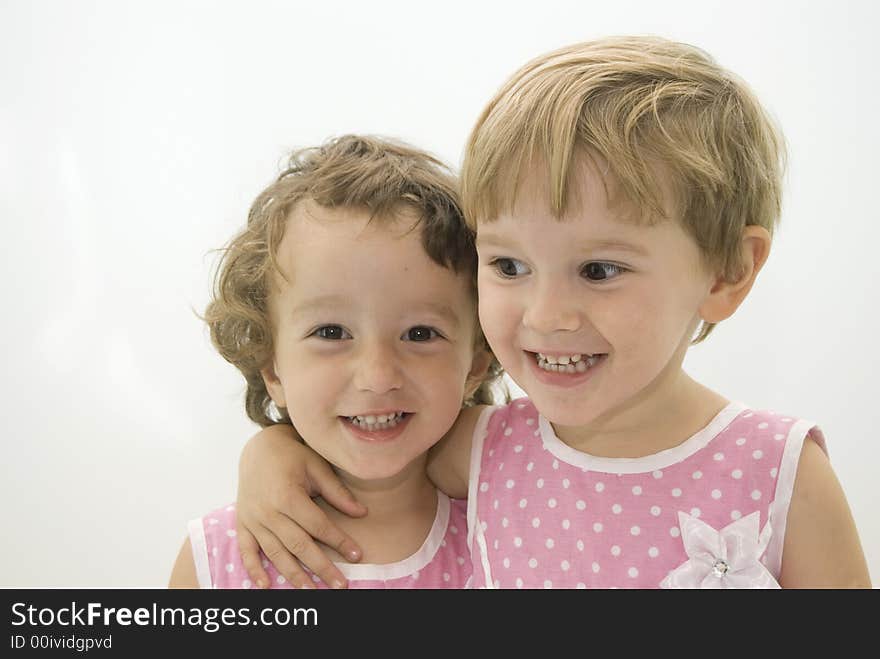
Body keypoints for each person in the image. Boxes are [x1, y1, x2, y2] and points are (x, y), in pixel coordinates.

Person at [231, 37, 871, 588]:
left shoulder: (779, 470)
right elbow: (372, 434)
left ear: (728, 271)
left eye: (599, 270)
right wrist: (271, 452)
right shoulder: (481, 448)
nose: (548, 314)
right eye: (509, 267)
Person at [168, 134, 505, 589]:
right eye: (331, 333)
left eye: (420, 334)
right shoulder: (218, 558)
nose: (377, 376)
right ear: (272, 369)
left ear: (475, 365)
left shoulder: (514, 530)